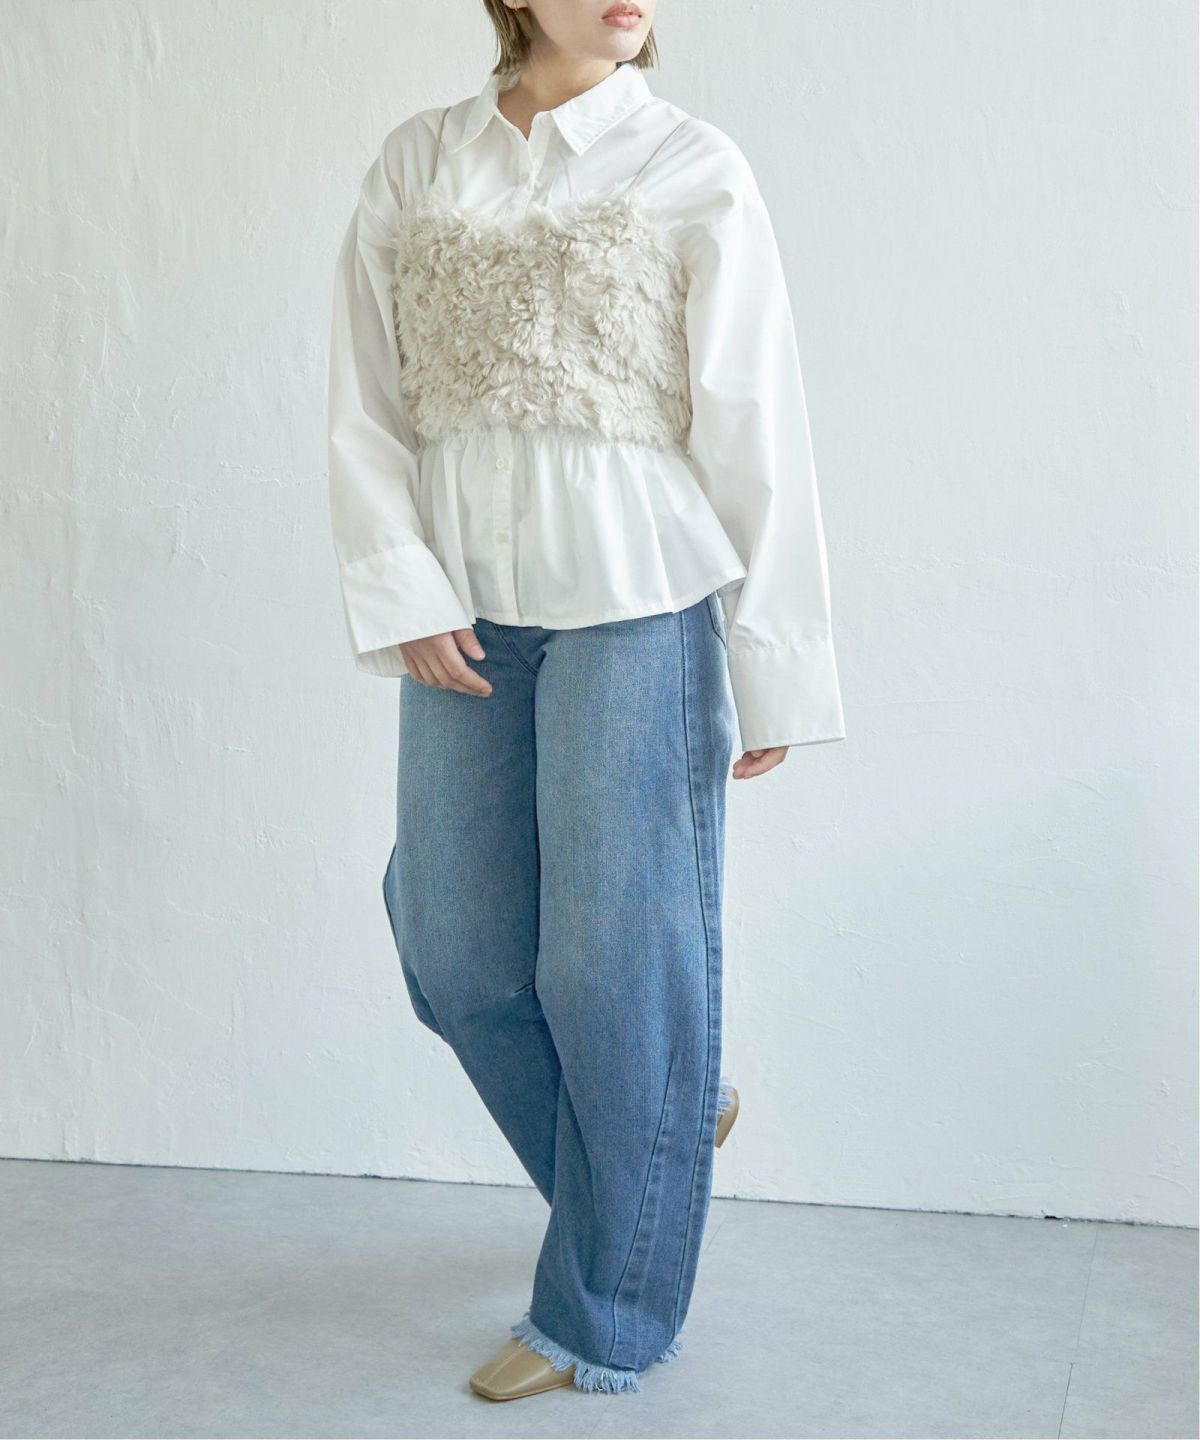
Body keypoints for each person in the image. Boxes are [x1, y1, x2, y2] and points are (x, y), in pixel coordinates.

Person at [326, 0, 846, 1402]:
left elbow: (757, 421)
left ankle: (603, 1309)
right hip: (463, 614)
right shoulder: (420, 161)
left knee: (610, 974)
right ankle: (665, 1121)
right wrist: (401, 583)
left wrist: (772, 660)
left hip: (640, 604)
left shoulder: (690, 164)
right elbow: (365, 401)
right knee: (453, 948)